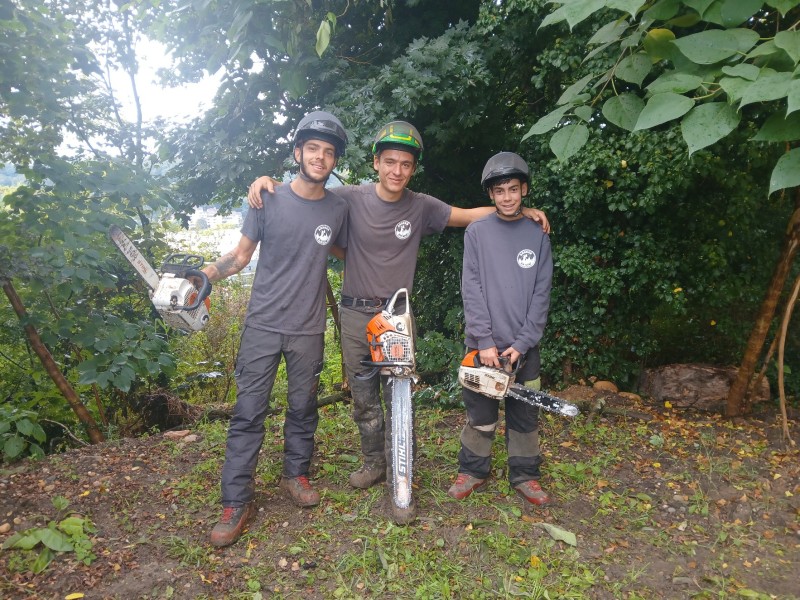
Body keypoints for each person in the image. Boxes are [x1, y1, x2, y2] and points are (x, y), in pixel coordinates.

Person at [248, 121, 551, 524]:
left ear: (412, 169)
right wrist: (267, 182)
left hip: (396, 315)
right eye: (389, 161)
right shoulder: (348, 198)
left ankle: (402, 476)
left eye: (405, 164)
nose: (396, 170)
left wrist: (519, 212)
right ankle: (374, 462)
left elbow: (466, 216)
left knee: (400, 399)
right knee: (363, 396)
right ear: (376, 163)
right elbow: (307, 195)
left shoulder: (421, 205)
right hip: (356, 313)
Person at [206, 111, 349, 548]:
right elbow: (241, 255)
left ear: (334, 160)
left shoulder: (339, 207)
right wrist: (204, 276)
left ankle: (296, 474)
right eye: (312, 149)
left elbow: (349, 251)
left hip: (307, 329)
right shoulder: (268, 198)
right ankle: (237, 501)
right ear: (297, 153)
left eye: (328, 152)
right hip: (263, 325)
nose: (320, 157)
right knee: (248, 413)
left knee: (303, 408)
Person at [447, 152, 553, 506]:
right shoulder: (477, 232)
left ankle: (525, 475)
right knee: (480, 413)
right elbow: (471, 288)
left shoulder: (537, 234)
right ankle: (473, 470)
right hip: (483, 348)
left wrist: (523, 343)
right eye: (499, 191)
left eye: (513, 189)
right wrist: (485, 342)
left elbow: (541, 293)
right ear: (490, 195)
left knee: (525, 414)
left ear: (524, 189)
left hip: (526, 348)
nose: (507, 197)